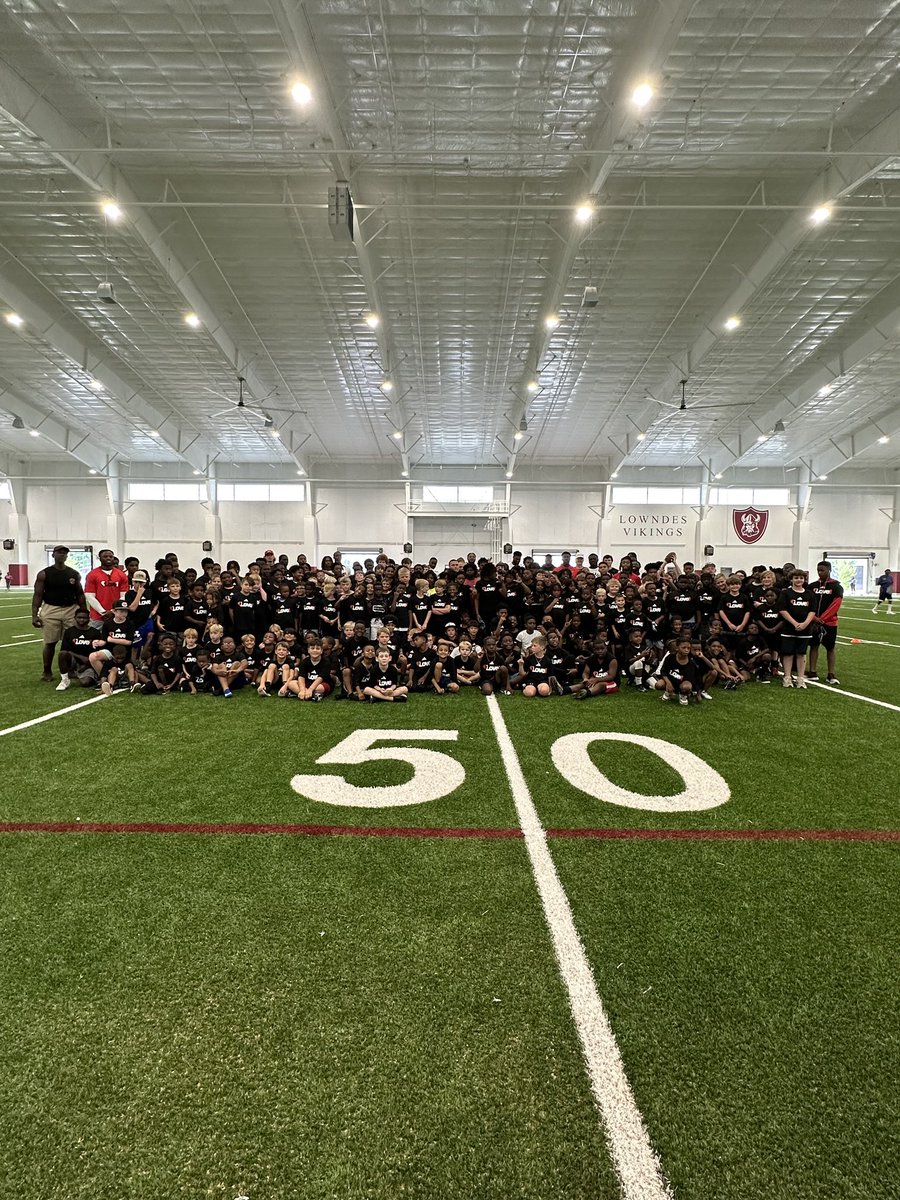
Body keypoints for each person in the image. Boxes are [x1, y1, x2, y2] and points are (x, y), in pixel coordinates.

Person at [31, 545, 86, 681]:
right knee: (50, 642)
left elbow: (80, 594)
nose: (62, 555)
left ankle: (71, 669)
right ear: (53, 555)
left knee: (73, 641)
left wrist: (84, 610)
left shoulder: (74, 574)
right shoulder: (44, 573)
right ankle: (47, 671)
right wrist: (34, 615)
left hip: (70, 609)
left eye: (64, 553)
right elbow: (37, 595)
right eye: (59, 553)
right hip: (51, 609)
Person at [778, 569, 816, 689]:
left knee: (801, 653)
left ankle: (800, 678)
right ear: (791, 579)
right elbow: (782, 610)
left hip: (805, 630)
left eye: (801, 578)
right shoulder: (786, 593)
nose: (798, 580)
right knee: (788, 653)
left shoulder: (809, 594)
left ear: (804, 579)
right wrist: (794, 623)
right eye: (796, 578)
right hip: (789, 629)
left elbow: (812, 611)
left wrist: (805, 624)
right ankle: (787, 677)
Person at [807, 560, 844, 685]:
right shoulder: (812, 586)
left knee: (830, 647)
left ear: (829, 570)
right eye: (818, 570)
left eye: (822, 570)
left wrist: (822, 619)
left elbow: (836, 605)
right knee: (814, 645)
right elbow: (808, 603)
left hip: (830, 622)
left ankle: (831, 674)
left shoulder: (836, 587)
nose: (820, 572)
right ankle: (812, 671)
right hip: (814, 621)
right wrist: (814, 619)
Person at [84, 549, 129, 631]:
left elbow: (124, 595)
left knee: (115, 638)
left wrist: (113, 611)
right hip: (97, 616)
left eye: (110, 556)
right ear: (100, 558)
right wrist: (103, 612)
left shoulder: (121, 575)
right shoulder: (92, 574)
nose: (108, 558)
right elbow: (89, 596)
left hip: (116, 615)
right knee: (95, 640)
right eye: (105, 556)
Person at [56, 608, 95, 690]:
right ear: (75, 618)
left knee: (86, 683)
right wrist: (80, 657)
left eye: (84, 618)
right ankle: (65, 679)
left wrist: (86, 665)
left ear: (89, 619)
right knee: (62, 654)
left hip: (88, 663)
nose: (82, 620)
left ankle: (81, 674)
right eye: (79, 617)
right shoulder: (69, 632)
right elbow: (65, 649)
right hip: (73, 660)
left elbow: (97, 652)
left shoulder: (95, 632)